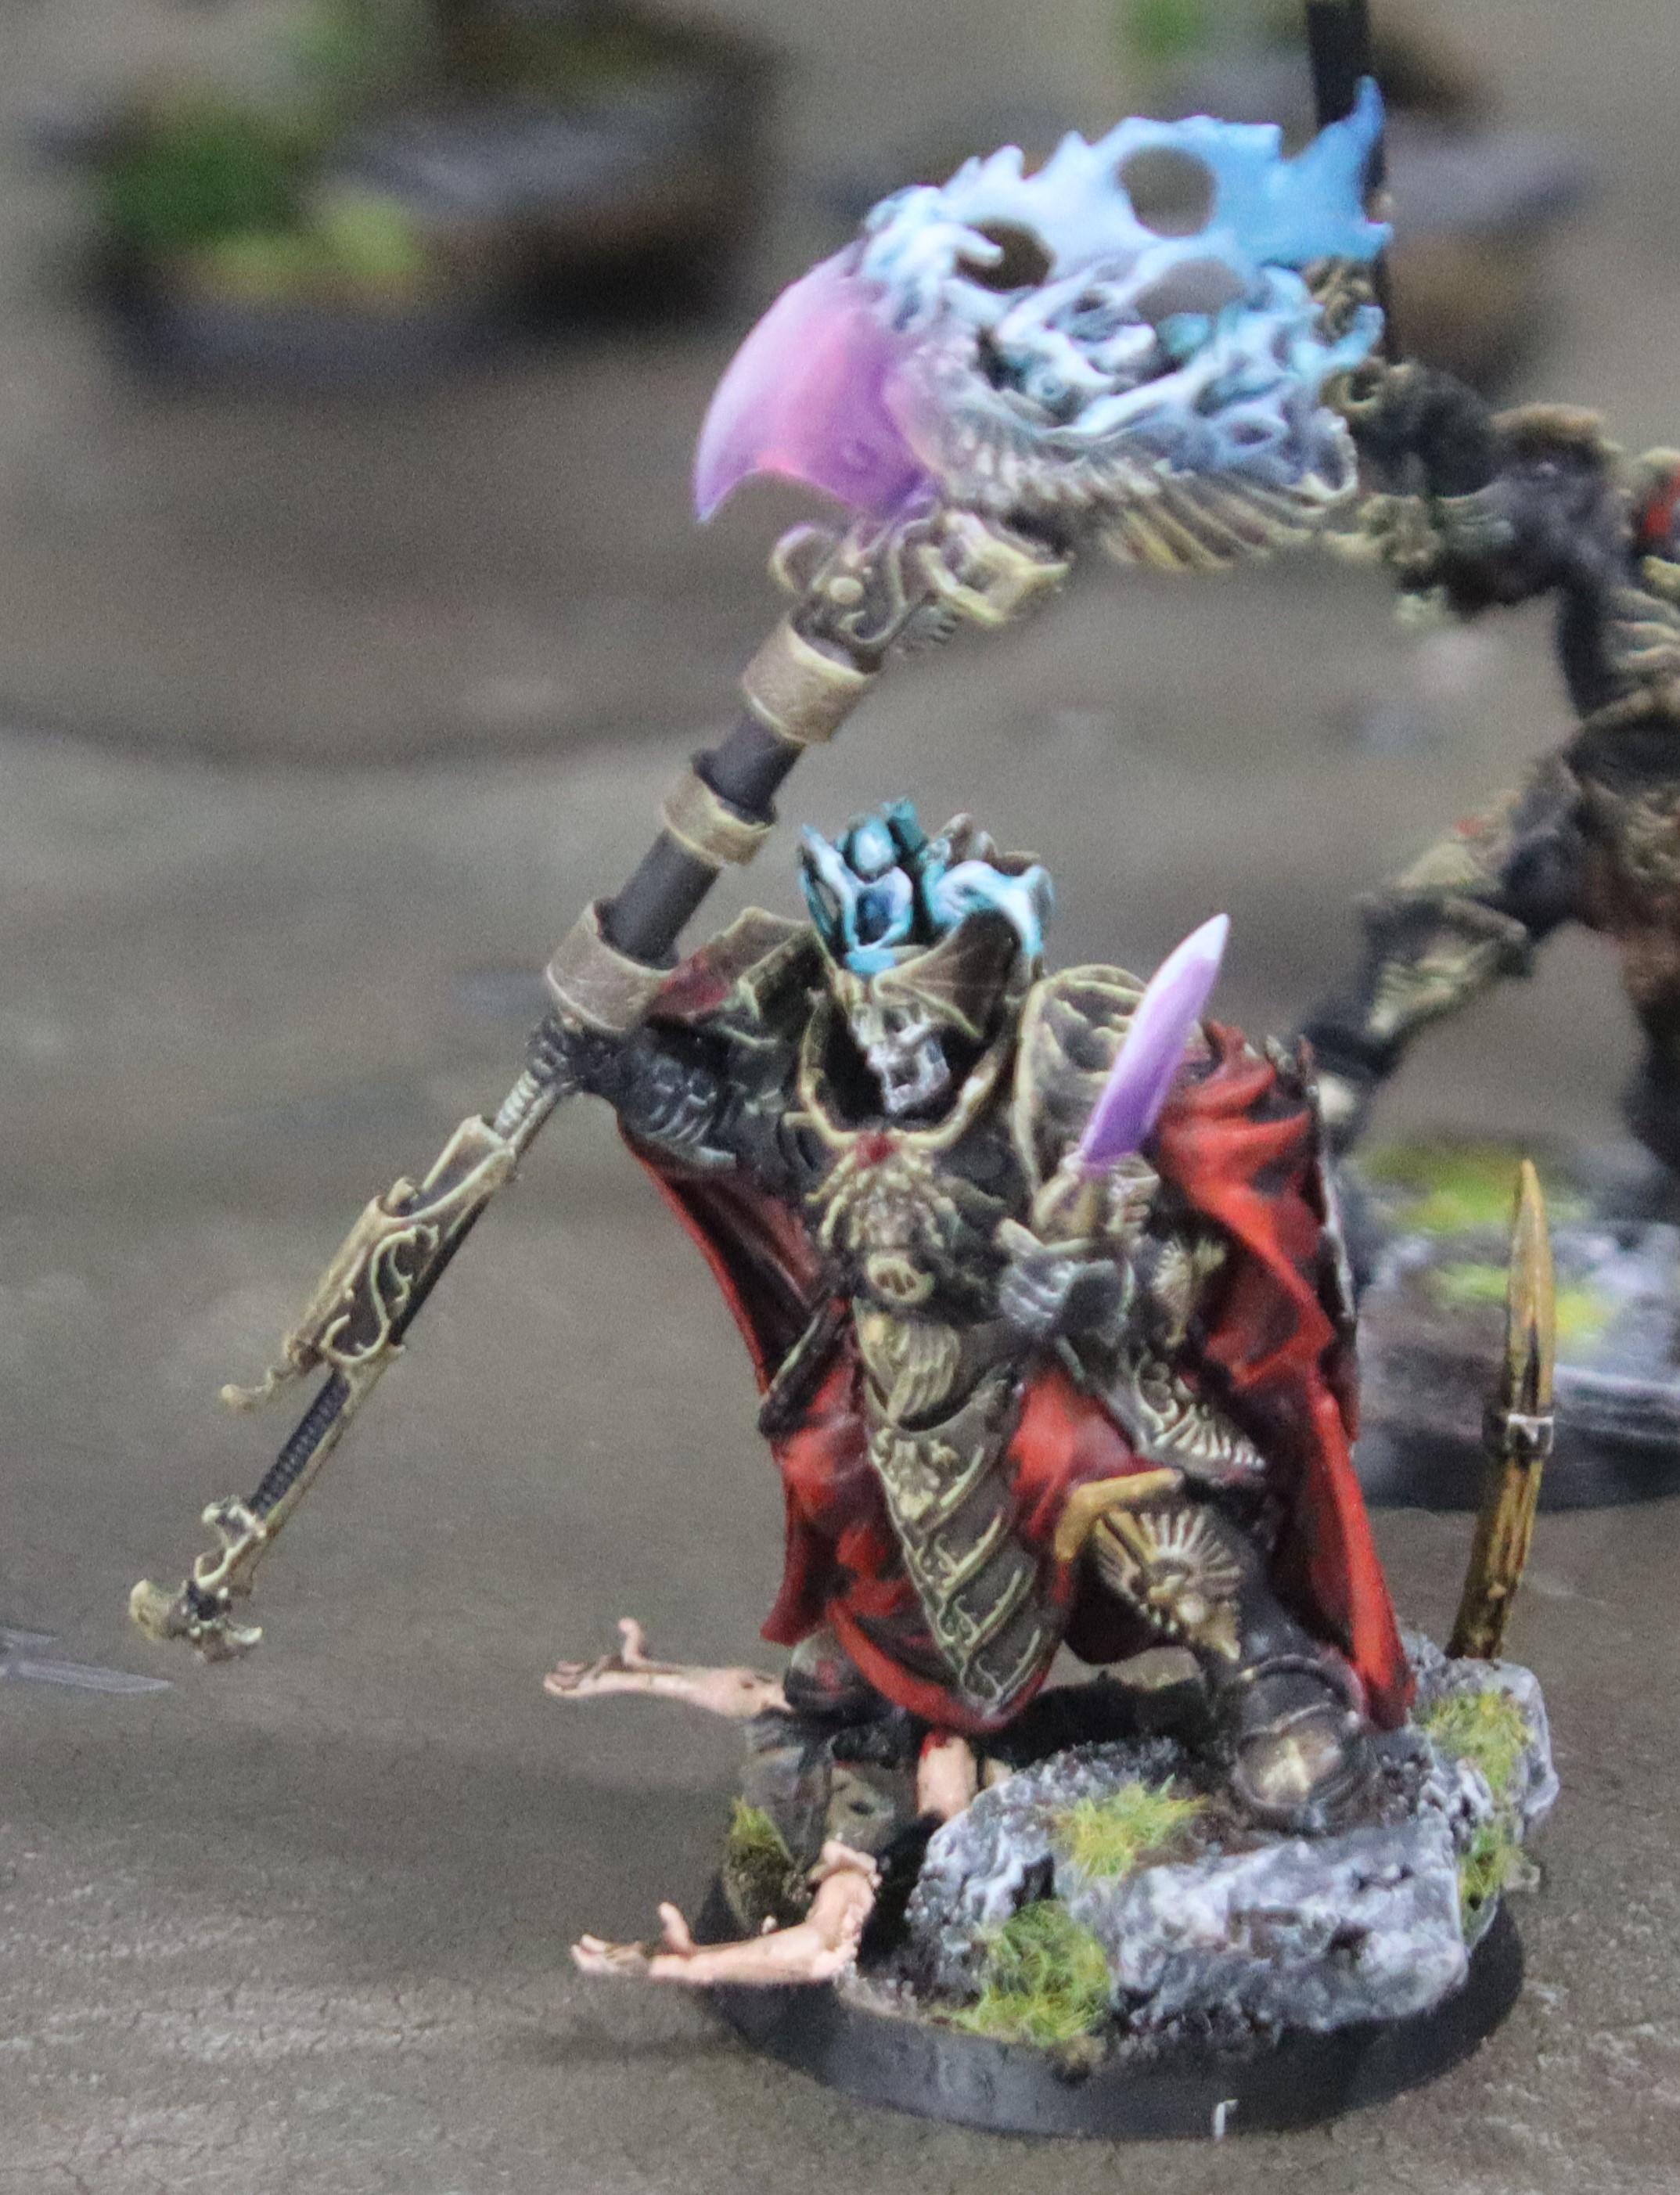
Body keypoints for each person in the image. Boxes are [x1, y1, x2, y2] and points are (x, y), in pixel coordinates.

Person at [543, 801, 1411, 1979]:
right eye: (871, 1015)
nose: (891, 1051)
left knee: (1119, 1490)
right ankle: (890, 1727)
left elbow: (1176, 1259)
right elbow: (725, 1127)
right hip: (898, 1401)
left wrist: (1095, 1285)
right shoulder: (826, 1092)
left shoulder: (1054, 1075)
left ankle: (1269, 1679)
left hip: (1053, 1374)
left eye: (914, 1021)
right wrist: (612, 1061)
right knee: (878, 1578)